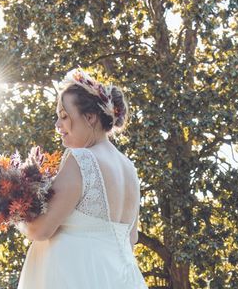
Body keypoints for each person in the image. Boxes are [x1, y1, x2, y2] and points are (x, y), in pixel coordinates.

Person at [16, 68, 148, 288]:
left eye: (65, 116)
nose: (58, 126)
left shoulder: (82, 159)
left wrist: (12, 207)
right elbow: (131, 239)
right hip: (123, 279)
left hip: (79, 277)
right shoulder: (129, 169)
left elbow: (41, 230)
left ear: (90, 118)